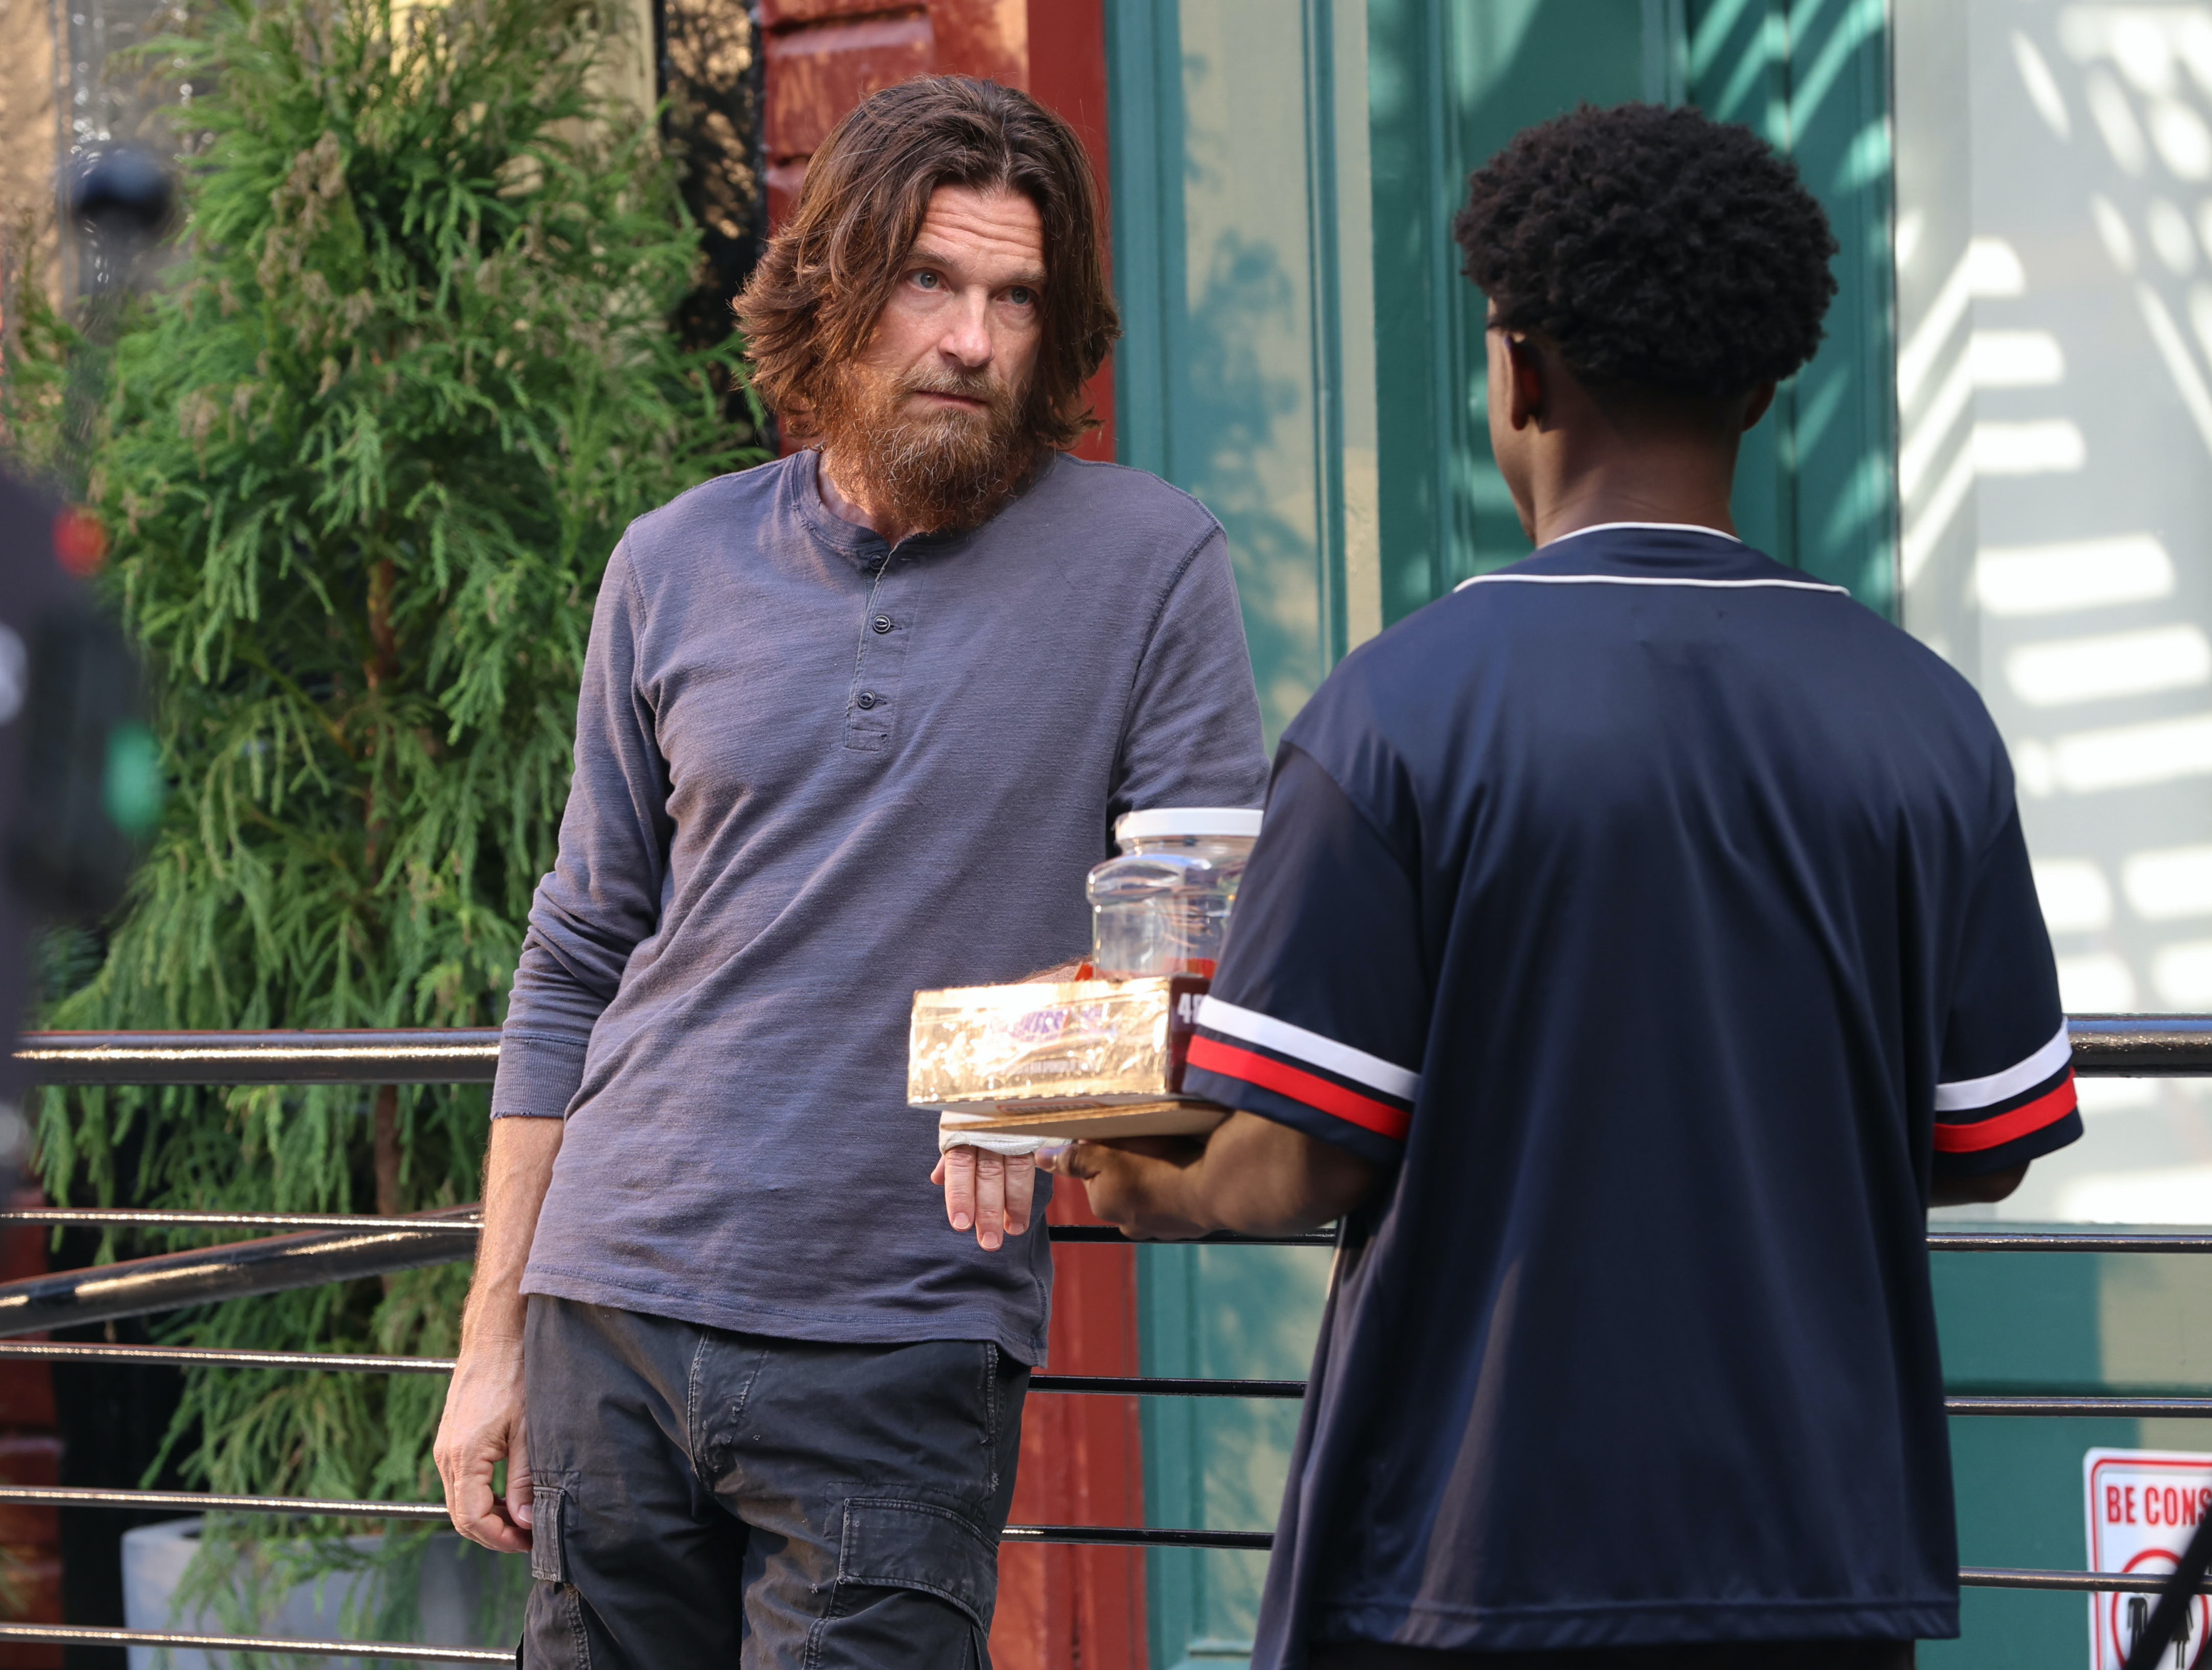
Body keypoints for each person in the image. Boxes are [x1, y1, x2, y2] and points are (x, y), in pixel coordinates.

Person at [1067, 102, 2081, 1669]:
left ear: (1517, 370)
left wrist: (1147, 1187)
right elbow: (1987, 1143)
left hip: (1465, 1568)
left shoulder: (1390, 716)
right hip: (1814, 1567)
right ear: (1759, 381)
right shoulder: (1923, 720)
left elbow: (1297, 1159)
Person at [432, 76, 1269, 1666]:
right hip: (610, 1305)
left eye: (1015, 296)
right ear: (833, 294)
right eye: (927, 282)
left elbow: (1210, 947)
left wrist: (1037, 1073)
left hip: (898, 1338)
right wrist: (493, 1339)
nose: (970, 338)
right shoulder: (670, 561)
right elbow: (573, 960)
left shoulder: (1151, 561)